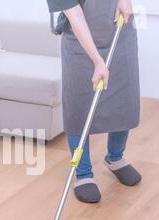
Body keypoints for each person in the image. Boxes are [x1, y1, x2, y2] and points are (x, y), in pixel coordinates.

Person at [47, 0, 142, 203]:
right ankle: (83, 174)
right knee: (79, 108)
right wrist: (98, 61)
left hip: (119, 32)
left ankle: (115, 157)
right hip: (80, 43)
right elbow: (76, 16)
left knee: (123, 100)